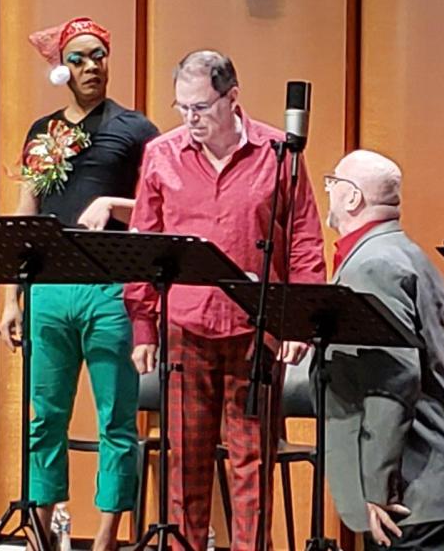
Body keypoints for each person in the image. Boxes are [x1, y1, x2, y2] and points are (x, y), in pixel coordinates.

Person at [123, 50, 325, 550]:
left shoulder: (280, 152)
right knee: (185, 460)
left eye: (201, 108)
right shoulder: (161, 155)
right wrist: (143, 325)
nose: (190, 120)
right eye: (182, 108)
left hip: (256, 330)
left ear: (232, 98)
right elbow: (142, 243)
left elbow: (304, 240)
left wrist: (297, 321)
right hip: (185, 325)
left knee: (252, 461)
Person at [0, 16, 159, 550]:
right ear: (60, 70)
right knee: (46, 417)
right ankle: (44, 530)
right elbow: (25, 214)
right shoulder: (43, 132)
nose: (91, 67)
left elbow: (168, 210)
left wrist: (115, 204)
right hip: (48, 290)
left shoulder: (135, 129)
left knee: (117, 419)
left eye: (99, 56)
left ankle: (110, 538)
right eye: (79, 59)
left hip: (112, 290)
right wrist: (12, 297)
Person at [321, 149, 444, 550]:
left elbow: (393, 379)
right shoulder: (404, 253)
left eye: (333, 183)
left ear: (353, 197)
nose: (329, 192)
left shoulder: (373, 266)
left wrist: (376, 487)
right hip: (431, 487)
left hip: (411, 493)